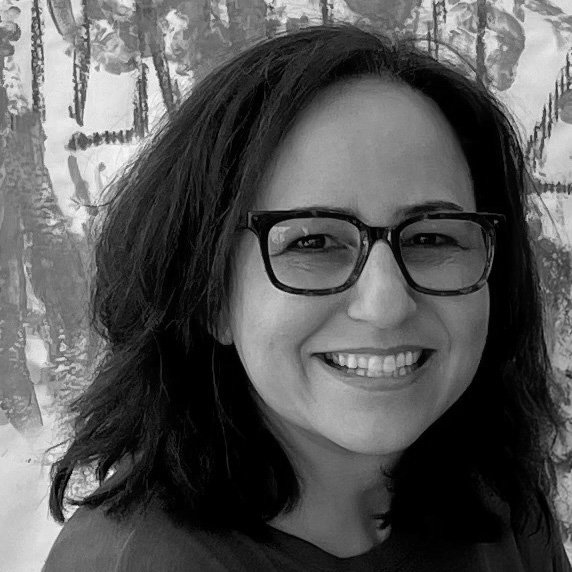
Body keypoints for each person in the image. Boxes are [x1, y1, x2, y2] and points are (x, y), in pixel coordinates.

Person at [43, 23, 572, 571]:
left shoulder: (498, 500)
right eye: (313, 242)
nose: (386, 304)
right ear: (209, 297)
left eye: (432, 238)